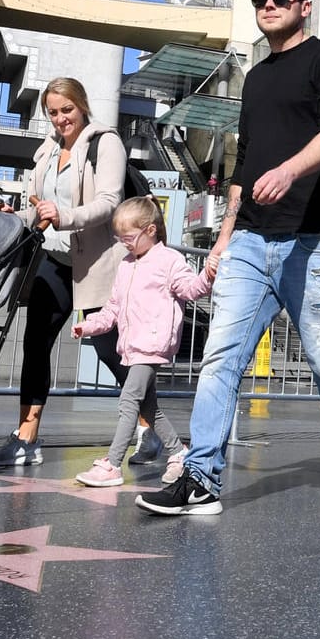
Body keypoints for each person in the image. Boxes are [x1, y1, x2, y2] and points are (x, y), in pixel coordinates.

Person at [138, 0, 320, 516]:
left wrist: (292, 171)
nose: (269, 5)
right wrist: (223, 238)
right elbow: (243, 165)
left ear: (305, 5)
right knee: (221, 357)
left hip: (315, 239)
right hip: (249, 240)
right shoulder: (256, 77)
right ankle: (201, 479)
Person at [0, 77, 133, 467]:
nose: (60, 119)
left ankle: (150, 427)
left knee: (112, 351)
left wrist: (66, 216)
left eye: (66, 110)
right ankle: (27, 436)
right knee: (35, 344)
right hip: (54, 262)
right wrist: (15, 218)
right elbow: (42, 208)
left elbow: (110, 201)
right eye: (53, 113)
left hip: (95, 264)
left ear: (82, 104)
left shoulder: (105, 143)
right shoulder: (47, 151)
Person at [70, 198, 214, 488]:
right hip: (132, 345)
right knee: (149, 408)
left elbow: (189, 289)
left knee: (128, 402)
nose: (125, 244)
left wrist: (208, 275)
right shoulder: (126, 265)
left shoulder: (169, 260)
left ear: (150, 230)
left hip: (152, 345)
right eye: (120, 239)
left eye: (129, 238)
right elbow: (112, 309)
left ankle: (112, 464)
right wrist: (88, 325)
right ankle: (178, 452)